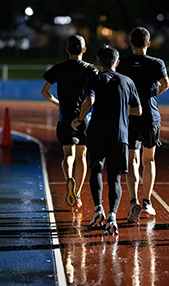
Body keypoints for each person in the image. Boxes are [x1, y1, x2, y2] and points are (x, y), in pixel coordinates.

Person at [72, 45, 142, 236]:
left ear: (98, 62)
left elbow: (89, 102)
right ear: (117, 62)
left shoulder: (94, 80)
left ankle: (98, 209)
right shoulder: (127, 82)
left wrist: (78, 119)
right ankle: (112, 215)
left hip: (96, 134)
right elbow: (138, 110)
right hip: (119, 136)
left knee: (96, 170)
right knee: (115, 178)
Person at [117, 27, 169, 223]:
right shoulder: (157, 63)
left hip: (130, 116)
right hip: (150, 116)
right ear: (148, 44)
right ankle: (147, 201)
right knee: (149, 160)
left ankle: (133, 201)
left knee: (132, 160)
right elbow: (166, 84)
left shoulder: (122, 63)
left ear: (130, 43)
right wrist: (152, 93)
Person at [41, 35, 99, 209]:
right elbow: (92, 98)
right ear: (84, 50)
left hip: (65, 117)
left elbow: (45, 91)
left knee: (68, 155)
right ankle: (78, 194)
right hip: (84, 118)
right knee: (82, 157)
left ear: (67, 49)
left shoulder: (59, 69)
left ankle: (69, 179)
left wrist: (58, 102)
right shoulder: (91, 70)